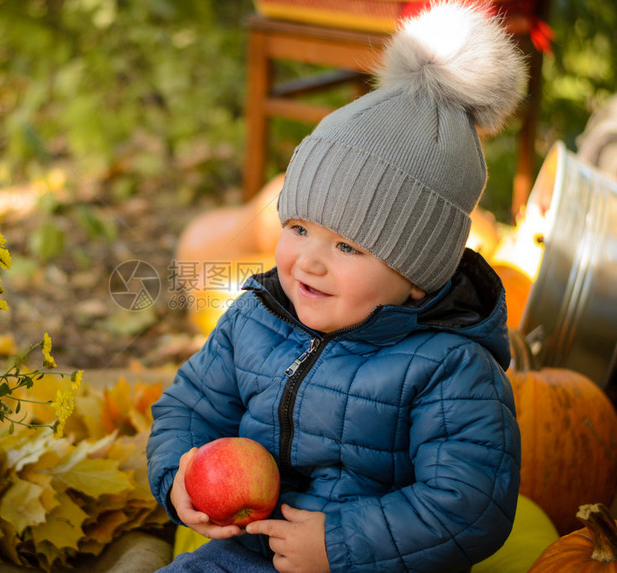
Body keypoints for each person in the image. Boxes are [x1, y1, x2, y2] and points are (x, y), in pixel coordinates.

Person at [147, 2, 527, 572]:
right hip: (248, 551)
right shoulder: (256, 317)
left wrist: (341, 544)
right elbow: (191, 406)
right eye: (298, 228)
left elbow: (469, 507)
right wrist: (179, 478)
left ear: (417, 273)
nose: (310, 262)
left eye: (349, 246)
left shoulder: (450, 369)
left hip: (374, 563)